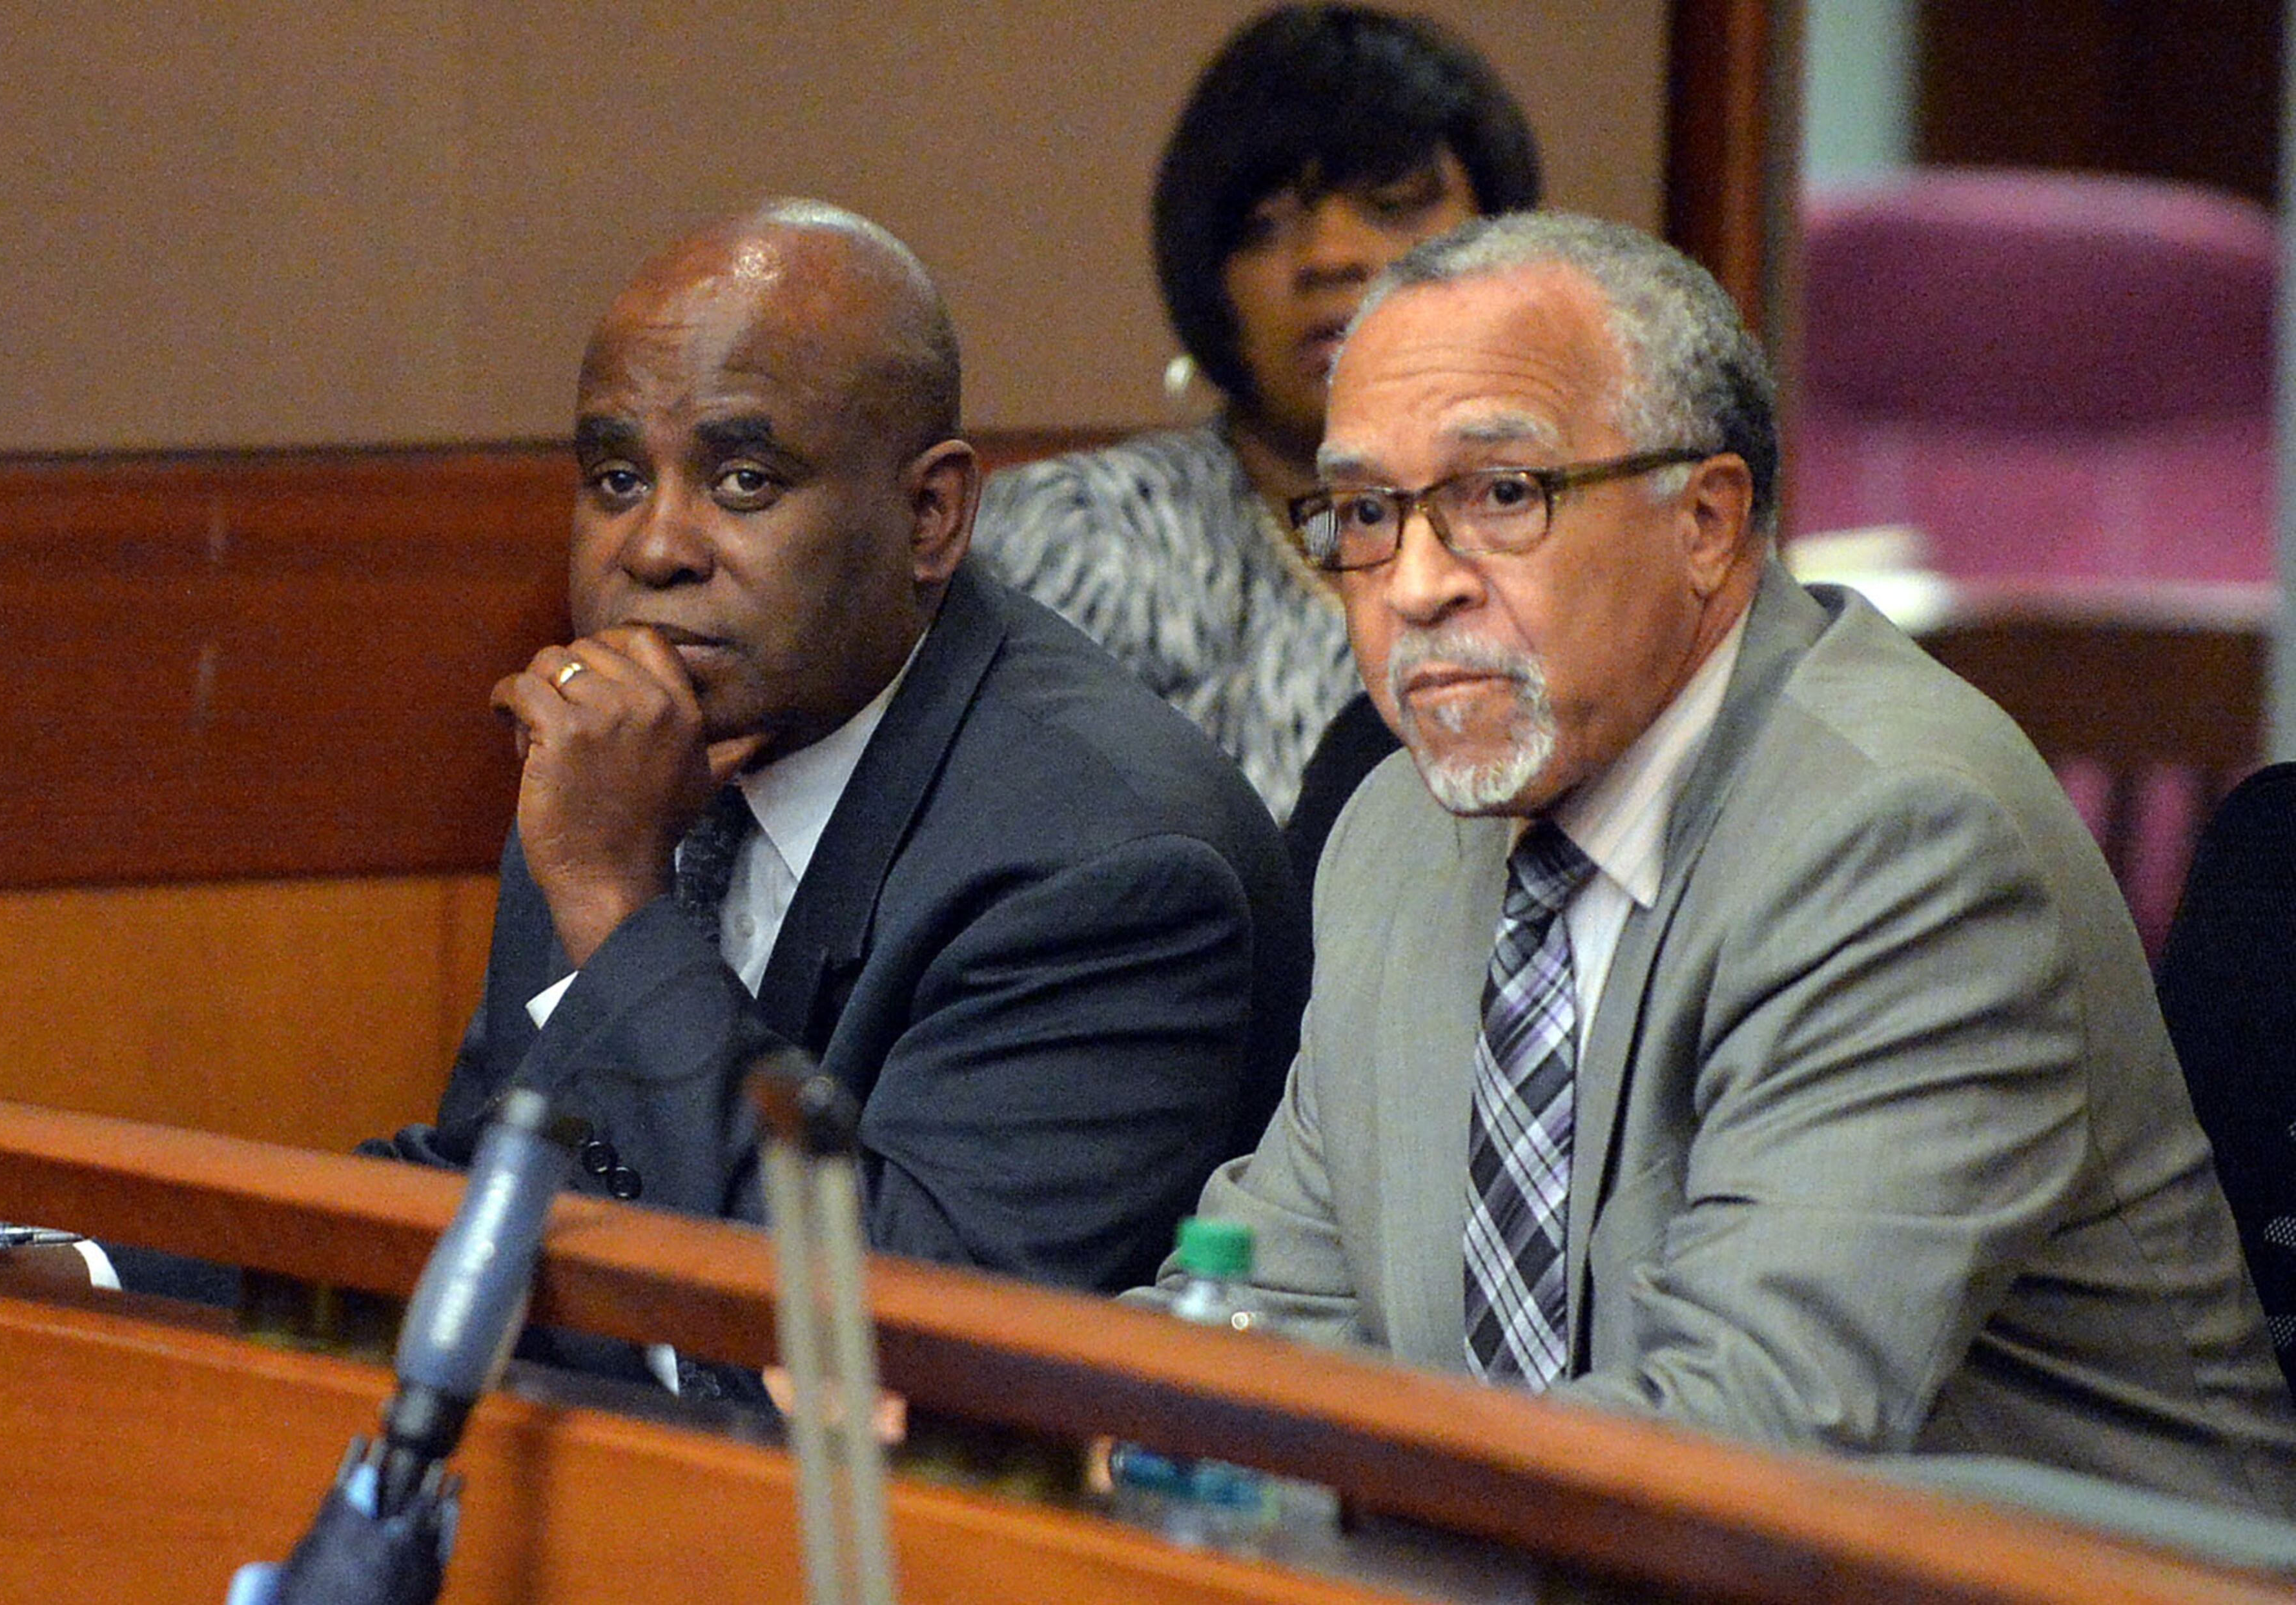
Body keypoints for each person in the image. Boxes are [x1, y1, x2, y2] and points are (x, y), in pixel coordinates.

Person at [1145, 211, 2296, 1509]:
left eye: (1499, 495)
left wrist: (1261, 1473)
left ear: (1705, 519)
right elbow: (1263, 1313)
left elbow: (1741, 1441)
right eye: (1365, 510)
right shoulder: (1396, 832)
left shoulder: (1902, 844)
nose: (1413, 584)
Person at [395, 199, 1306, 1300]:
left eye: (744, 483)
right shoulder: (626, 762)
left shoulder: (1114, 862)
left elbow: (884, 1335)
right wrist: (132, 1267)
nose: (656, 548)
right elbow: (486, 1188)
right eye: (619, 480)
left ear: (928, 517)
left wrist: (616, 906)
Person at [972, 3, 1538, 823]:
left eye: (1389, 205)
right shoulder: (1085, 540)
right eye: (1267, 225)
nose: (1329, 258)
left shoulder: (1583, 524)